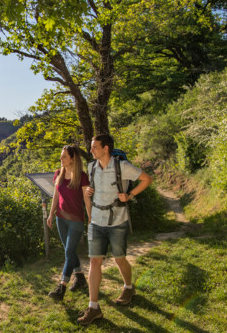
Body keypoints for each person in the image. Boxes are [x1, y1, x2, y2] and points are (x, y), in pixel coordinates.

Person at [78, 134, 153, 325]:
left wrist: (129, 195)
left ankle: (128, 287)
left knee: (119, 259)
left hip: (118, 221)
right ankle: (94, 307)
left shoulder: (122, 166)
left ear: (106, 148)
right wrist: (88, 192)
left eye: (95, 147)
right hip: (96, 220)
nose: (91, 150)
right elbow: (92, 190)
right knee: (95, 262)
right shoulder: (91, 167)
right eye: (91, 147)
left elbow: (146, 179)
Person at [46, 145, 90, 301]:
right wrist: (51, 214)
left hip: (76, 221)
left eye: (64, 156)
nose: (61, 159)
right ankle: (80, 278)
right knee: (69, 251)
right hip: (61, 219)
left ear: (73, 158)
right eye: (61, 156)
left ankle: (61, 287)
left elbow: (86, 198)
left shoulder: (82, 176)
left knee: (68, 253)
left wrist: (90, 218)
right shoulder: (58, 173)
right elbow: (56, 196)